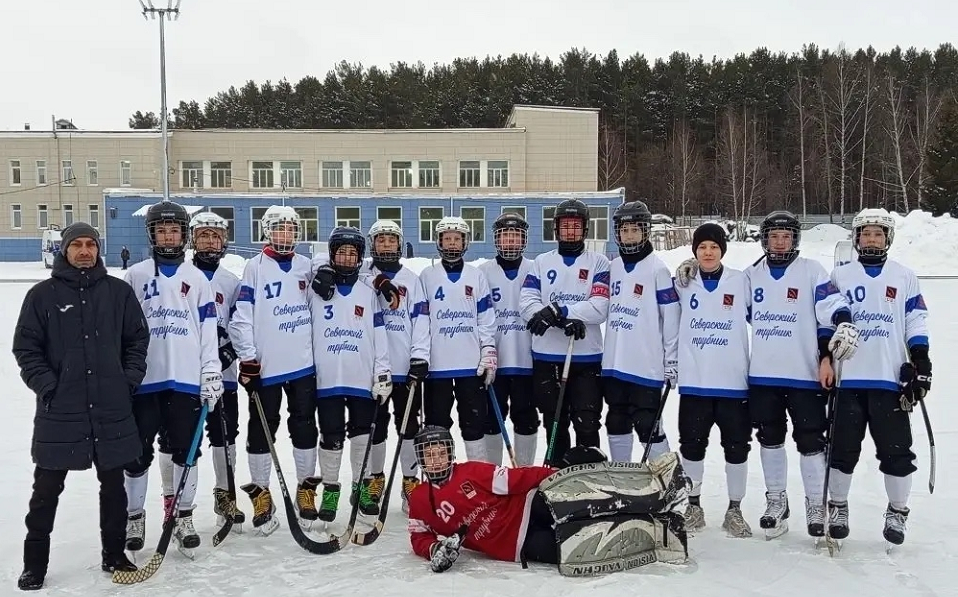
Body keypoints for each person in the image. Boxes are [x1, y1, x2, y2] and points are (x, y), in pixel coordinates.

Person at [12, 223, 150, 591]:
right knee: (46, 490)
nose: (85, 251)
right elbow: (26, 349)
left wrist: (127, 380)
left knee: (114, 488)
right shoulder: (42, 296)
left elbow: (137, 340)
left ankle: (114, 553)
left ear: (98, 248)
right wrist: (48, 387)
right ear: (65, 250)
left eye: (91, 244)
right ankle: (34, 563)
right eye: (77, 245)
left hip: (111, 406)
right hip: (62, 409)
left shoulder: (118, 293)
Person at [406, 426, 690, 576]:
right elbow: (418, 535)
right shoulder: (419, 498)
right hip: (516, 546)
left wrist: (556, 474)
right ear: (420, 458)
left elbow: (515, 480)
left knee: (588, 503)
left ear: (449, 452)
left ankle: (656, 492)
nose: (435, 459)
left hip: (528, 507)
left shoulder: (470, 471)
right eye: (429, 454)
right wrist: (434, 550)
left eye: (440, 452)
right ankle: (655, 531)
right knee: (581, 545)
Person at [743, 211, 859, 539]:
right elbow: (724, 299)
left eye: (786, 236)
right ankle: (776, 499)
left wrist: (835, 337)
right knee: (770, 439)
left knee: (810, 441)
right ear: (765, 239)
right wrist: (691, 274)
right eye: (774, 236)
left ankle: (814, 503)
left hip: (804, 375)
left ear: (795, 239)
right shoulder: (752, 275)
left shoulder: (811, 271)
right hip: (764, 375)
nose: (780, 242)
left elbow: (830, 308)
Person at [122, 201, 223, 555]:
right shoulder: (135, 275)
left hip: (185, 379)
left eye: (174, 230)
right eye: (162, 231)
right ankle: (134, 516)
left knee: (186, 451)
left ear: (184, 235)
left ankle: (182, 515)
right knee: (136, 454)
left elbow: (208, 329)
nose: (168, 236)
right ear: (152, 234)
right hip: (145, 381)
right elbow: (124, 330)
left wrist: (210, 371)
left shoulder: (196, 278)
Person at [827, 208, 930, 547]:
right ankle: (838, 507)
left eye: (878, 233)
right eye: (866, 233)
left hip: (889, 380)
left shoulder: (904, 275)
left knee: (897, 452)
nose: (871, 238)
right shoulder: (840, 275)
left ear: (887, 238)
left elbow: (915, 320)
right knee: (842, 450)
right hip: (848, 381)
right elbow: (826, 316)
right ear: (856, 238)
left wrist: (921, 361)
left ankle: (898, 512)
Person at [229, 205, 317, 535]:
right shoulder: (255, 267)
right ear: (267, 231)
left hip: (303, 365)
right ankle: (261, 493)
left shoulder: (307, 266)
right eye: (279, 229)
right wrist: (248, 357)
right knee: (261, 428)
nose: (286, 235)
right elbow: (242, 316)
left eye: (291, 230)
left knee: (305, 427)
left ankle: (306, 489)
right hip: (266, 366)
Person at [157, 212, 246, 530]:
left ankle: (225, 497)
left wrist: (229, 350)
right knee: (174, 441)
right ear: (193, 239)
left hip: (222, 378)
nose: (210, 242)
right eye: (204, 236)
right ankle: (174, 503)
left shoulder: (231, 283)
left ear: (224, 241)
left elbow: (242, 323)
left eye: (216, 236)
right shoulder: (173, 276)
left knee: (225, 437)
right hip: (180, 379)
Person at [671, 223, 752, 538]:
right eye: (702, 247)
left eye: (714, 247)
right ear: (694, 251)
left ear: (722, 251)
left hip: (733, 383)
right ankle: (693, 506)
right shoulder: (683, 282)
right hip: (695, 382)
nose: (707, 252)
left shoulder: (740, 281)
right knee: (692, 447)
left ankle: (735, 509)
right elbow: (658, 299)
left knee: (737, 448)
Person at [518, 198, 610, 465]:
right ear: (556, 229)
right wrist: (557, 320)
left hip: (586, 357)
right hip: (547, 357)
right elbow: (527, 303)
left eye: (576, 226)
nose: (570, 231)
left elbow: (599, 306)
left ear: (585, 229)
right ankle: (556, 477)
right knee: (554, 423)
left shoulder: (598, 262)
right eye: (565, 226)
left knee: (587, 423)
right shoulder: (541, 263)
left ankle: (591, 480)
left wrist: (560, 311)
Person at [309, 227, 392, 520]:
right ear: (332, 255)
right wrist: (321, 267)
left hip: (362, 377)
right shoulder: (316, 286)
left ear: (360, 258)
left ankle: (362, 486)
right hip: (328, 377)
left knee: (362, 435)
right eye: (340, 252)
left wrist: (382, 372)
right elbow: (305, 262)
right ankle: (331, 492)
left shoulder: (369, 290)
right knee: (331, 435)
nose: (346, 258)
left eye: (352, 253)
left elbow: (380, 335)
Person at [601, 201, 679, 463]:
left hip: (645, 365)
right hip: (615, 363)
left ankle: (666, 482)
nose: (630, 236)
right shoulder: (613, 267)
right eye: (625, 230)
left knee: (648, 423)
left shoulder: (657, 269)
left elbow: (670, 318)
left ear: (646, 231)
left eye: (636, 229)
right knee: (616, 420)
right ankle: (622, 477)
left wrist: (672, 359)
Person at [362, 220, 431, 512]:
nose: (386, 245)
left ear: (400, 244)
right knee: (374, 427)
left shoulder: (412, 279)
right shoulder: (362, 274)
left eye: (392, 240)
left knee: (409, 427)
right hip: (372, 368)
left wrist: (419, 356)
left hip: (404, 367)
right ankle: (375, 479)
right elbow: (320, 262)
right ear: (372, 244)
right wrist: (375, 280)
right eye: (381, 240)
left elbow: (421, 321)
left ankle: (409, 480)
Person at [418, 217, 498, 463]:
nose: (452, 243)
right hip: (437, 368)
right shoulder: (427, 275)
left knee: (474, 425)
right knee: (437, 427)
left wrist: (488, 350)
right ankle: (441, 481)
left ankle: (479, 480)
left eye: (457, 239)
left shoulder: (476, 276)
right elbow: (421, 321)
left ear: (465, 242)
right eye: (447, 238)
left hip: (470, 366)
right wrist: (420, 355)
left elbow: (485, 318)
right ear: (439, 242)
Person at [478, 213, 539, 465]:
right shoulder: (483, 272)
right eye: (505, 236)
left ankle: (523, 474)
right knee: (492, 418)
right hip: (496, 362)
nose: (510, 241)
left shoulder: (535, 268)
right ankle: (494, 475)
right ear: (496, 240)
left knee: (526, 416)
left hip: (526, 359)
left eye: (516, 236)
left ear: (524, 240)